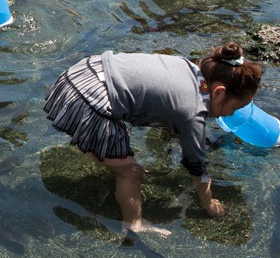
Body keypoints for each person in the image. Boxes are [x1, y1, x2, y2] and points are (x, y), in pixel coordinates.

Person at [44, 42, 262, 237]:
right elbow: (197, 168)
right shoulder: (194, 112)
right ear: (219, 93)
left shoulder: (189, 68)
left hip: (82, 73)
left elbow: (163, 99)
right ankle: (134, 224)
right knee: (132, 173)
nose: (230, 114)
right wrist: (209, 203)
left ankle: (112, 170)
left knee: (119, 149)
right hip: (90, 100)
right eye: (235, 108)